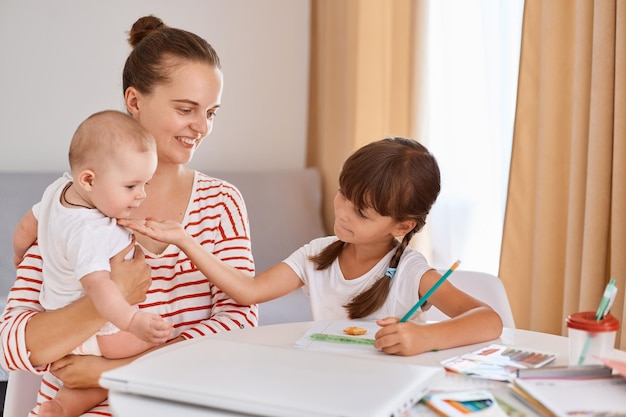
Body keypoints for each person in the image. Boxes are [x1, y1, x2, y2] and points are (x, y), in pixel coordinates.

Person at [0, 15, 257, 417]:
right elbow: (14, 344)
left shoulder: (221, 203)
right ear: (135, 101)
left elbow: (240, 323)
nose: (201, 127)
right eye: (187, 109)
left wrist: (113, 372)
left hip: (180, 405)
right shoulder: (76, 200)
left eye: (211, 112)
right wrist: (113, 295)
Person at [120, 137, 504, 357]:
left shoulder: (411, 273)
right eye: (343, 195)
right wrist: (186, 240)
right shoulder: (316, 255)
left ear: (402, 226)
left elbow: (489, 319)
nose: (343, 214)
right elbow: (247, 291)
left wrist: (425, 337)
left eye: (363, 214)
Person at [12, 110, 174, 417]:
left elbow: (25, 228)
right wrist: (132, 322)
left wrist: (18, 254)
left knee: (92, 383)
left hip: (63, 328)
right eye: (131, 186)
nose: (141, 196)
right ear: (89, 179)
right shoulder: (90, 231)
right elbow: (99, 287)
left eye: (145, 185)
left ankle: (59, 407)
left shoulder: (57, 191)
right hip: (104, 333)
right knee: (165, 353)